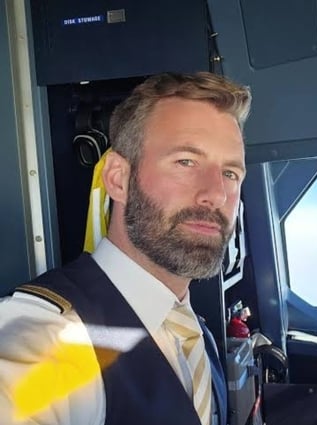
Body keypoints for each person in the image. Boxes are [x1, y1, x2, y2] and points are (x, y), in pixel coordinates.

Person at [0, 71, 251, 425]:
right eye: (186, 161)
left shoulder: (198, 333)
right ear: (118, 178)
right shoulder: (50, 336)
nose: (216, 194)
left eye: (230, 173)